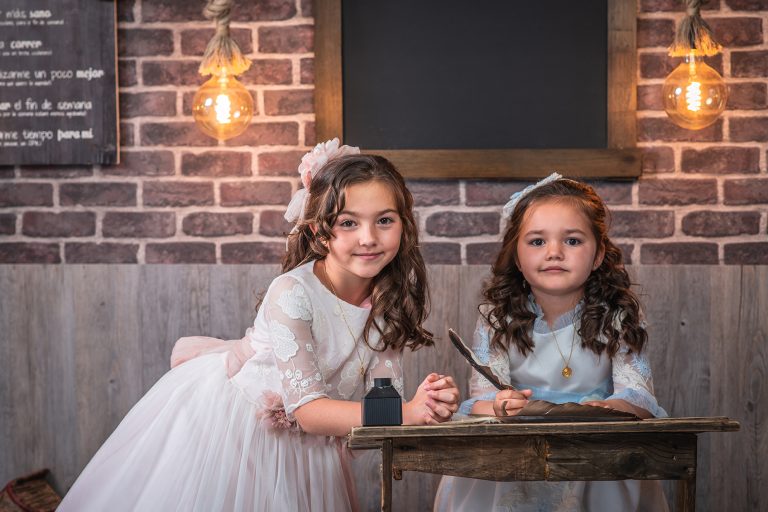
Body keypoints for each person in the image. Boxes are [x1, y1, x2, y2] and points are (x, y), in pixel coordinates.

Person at [59, 139, 460, 512]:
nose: (369, 238)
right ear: (320, 230)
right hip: (237, 432)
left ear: (404, 225)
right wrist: (408, 412)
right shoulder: (292, 293)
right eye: (349, 223)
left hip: (310, 450)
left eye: (384, 220)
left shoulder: (387, 302)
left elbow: (383, 401)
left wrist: (428, 403)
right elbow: (309, 412)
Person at [434, 173, 668, 512]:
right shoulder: (496, 318)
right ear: (515, 255)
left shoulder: (618, 315)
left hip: (597, 452)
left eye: (572, 241)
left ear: (599, 254)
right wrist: (502, 405)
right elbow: (482, 399)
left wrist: (613, 408)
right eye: (537, 242)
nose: (554, 253)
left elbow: (638, 393)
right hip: (515, 455)